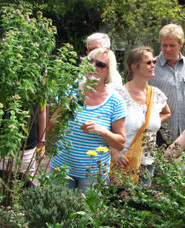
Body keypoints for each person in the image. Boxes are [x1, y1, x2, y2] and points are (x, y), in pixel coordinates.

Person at [49, 48, 127, 193]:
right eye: (90, 61)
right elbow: (51, 127)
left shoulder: (115, 102)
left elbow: (121, 143)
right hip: (61, 168)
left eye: (100, 64)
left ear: (109, 71)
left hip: (92, 175)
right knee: (58, 214)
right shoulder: (70, 91)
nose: (93, 66)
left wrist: (102, 131)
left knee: (88, 214)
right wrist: (62, 115)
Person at [111, 46, 171, 186]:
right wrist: (114, 152)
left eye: (154, 62)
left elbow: (167, 112)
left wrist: (150, 122)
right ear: (134, 66)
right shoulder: (118, 94)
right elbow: (105, 125)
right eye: (148, 62)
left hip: (147, 164)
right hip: (123, 161)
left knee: (143, 205)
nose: (153, 66)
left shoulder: (156, 95)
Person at [149, 23, 185, 145]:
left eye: (172, 45)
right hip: (158, 136)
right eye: (164, 45)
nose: (167, 49)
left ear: (181, 44)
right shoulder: (151, 66)